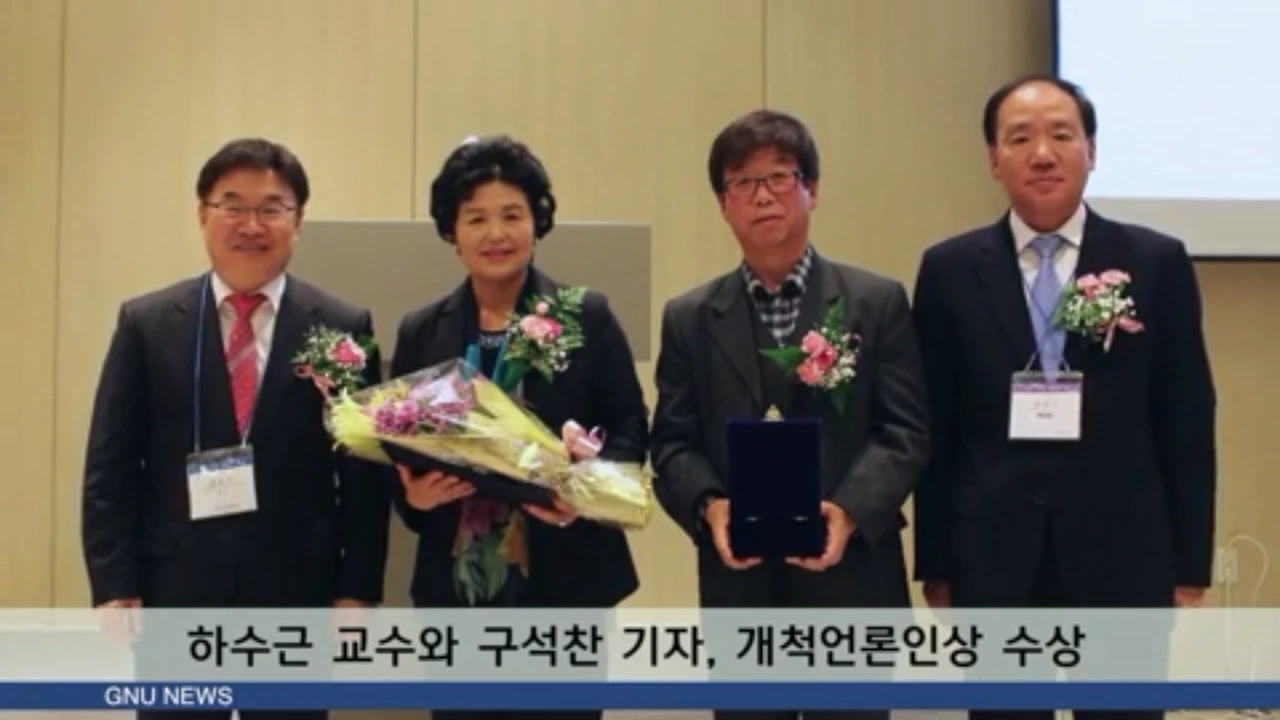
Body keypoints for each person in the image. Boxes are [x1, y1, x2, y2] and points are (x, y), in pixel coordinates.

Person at [910, 75, 1216, 720]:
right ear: (994, 159)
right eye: (1020, 138)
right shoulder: (949, 270)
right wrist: (936, 562)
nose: (1042, 154)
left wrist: (1190, 562)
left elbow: (1186, 418)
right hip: (992, 558)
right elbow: (936, 424)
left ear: (1092, 150)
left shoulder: (1155, 261)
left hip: (1124, 555)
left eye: (1061, 135)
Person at [80, 138, 392, 719]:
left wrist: (357, 589)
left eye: (272, 208)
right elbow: (110, 466)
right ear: (203, 214)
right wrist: (113, 583)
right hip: (176, 588)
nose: (252, 225)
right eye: (233, 206)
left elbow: (363, 476)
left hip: (296, 590)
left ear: (298, 220)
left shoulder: (342, 326)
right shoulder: (148, 323)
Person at [649, 109, 930, 720]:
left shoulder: (875, 302)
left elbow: (905, 431)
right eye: (743, 182)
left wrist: (849, 511)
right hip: (741, 587)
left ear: (812, 189)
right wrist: (711, 508)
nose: (763, 196)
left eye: (780, 176)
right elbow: (671, 442)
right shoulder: (690, 318)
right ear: (723, 204)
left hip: (853, 584)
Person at [389, 134, 648, 720]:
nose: (496, 233)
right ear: (452, 232)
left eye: (512, 215)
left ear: (537, 222)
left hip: (567, 580)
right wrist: (414, 498)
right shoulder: (422, 331)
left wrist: (585, 480)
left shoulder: (586, 316)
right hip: (456, 587)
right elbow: (397, 448)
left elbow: (631, 428)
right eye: (476, 218)